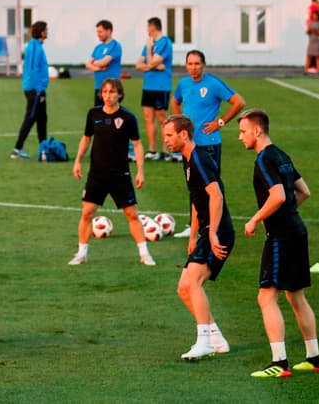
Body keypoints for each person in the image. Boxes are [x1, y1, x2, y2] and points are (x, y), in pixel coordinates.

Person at [238, 108, 319, 378]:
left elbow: (277, 196)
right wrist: (284, 212)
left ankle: (280, 363)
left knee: (266, 297)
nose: (240, 137)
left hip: (282, 236)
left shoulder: (264, 159)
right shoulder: (282, 155)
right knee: (296, 295)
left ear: (257, 131)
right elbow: (304, 191)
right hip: (297, 229)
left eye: (243, 131)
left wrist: (255, 219)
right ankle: (313, 358)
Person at [162, 115, 233, 360]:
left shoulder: (200, 159)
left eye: (169, 135)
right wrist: (192, 235)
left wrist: (211, 233)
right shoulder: (187, 159)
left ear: (183, 134)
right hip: (205, 231)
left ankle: (203, 342)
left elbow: (216, 196)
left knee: (193, 283)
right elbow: (196, 199)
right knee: (184, 289)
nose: (166, 140)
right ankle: (216, 338)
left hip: (218, 230)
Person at [67, 78, 154, 266]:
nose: (108, 95)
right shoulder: (93, 114)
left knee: (131, 214)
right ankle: (81, 254)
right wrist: (77, 161)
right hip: (96, 174)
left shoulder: (129, 118)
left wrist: (140, 171)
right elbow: (86, 138)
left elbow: (137, 145)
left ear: (120, 94)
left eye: (112, 92)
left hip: (119, 174)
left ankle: (144, 254)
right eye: (105, 92)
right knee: (87, 213)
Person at [170, 49, 245, 173]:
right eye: (190, 64)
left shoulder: (213, 83)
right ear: (186, 65)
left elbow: (239, 102)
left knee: (212, 184)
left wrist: (221, 122)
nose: (193, 67)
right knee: (193, 185)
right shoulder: (183, 83)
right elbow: (175, 101)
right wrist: (180, 122)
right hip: (188, 143)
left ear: (203, 65)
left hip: (208, 143)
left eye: (197, 64)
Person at [134, 16, 173, 160]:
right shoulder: (149, 44)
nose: (147, 30)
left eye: (147, 27)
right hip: (148, 86)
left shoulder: (164, 42)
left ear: (152, 27)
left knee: (162, 119)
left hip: (161, 87)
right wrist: (154, 66)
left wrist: (150, 52)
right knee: (148, 117)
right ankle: (152, 150)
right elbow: (139, 65)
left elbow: (151, 61)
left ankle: (166, 151)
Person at [11, 21, 49, 159]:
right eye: (46, 29)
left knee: (42, 119)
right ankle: (17, 149)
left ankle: (44, 149)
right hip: (35, 90)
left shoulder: (37, 46)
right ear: (41, 32)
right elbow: (32, 69)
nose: (47, 31)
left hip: (37, 88)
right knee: (31, 118)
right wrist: (39, 90)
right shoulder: (34, 47)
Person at [85, 19, 122, 107]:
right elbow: (88, 65)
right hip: (99, 88)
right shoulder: (98, 47)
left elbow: (104, 62)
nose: (98, 34)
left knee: (111, 116)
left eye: (100, 31)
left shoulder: (115, 45)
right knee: (98, 117)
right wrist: (98, 68)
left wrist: (95, 63)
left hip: (112, 90)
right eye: (97, 32)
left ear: (108, 31)